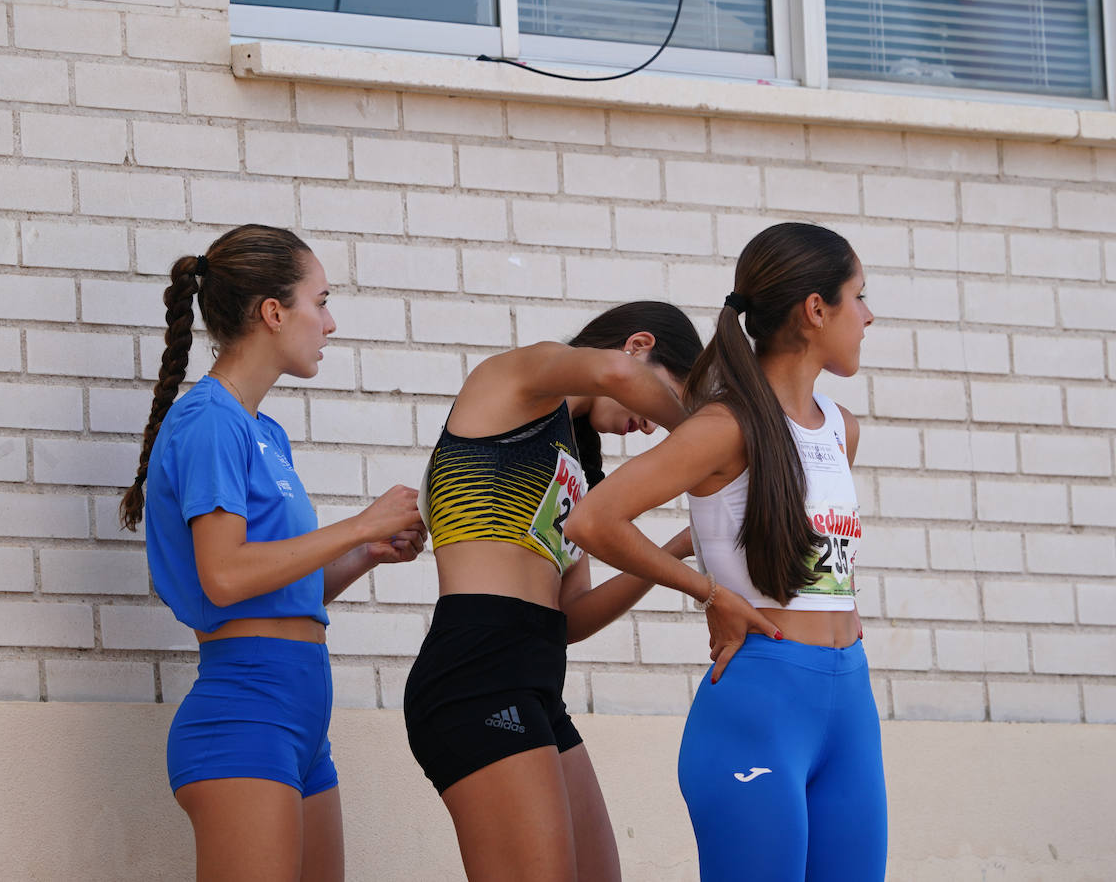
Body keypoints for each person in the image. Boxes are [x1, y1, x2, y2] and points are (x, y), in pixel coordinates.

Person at [564, 223, 887, 881]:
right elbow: (595, 519)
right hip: (759, 707)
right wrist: (709, 591)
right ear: (815, 309)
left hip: (849, 701)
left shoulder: (841, 429)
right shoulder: (724, 426)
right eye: (858, 296)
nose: (868, 315)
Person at [119, 224, 426, 882]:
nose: (331, 322)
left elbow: (286, 590)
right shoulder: (209, 421)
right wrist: (355, 525)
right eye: (321, 301)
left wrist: (368, 549)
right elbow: (225, 577)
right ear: (273, 312)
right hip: (245, 714)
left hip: (302, 719)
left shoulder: (265, 432)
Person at [403, 301, 710, 881]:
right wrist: (705, 435)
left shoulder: (577, 471)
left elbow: (570, 618)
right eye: (667, 394)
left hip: (537, 683)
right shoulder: (522, 376)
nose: (649, 425)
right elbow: (615, 375)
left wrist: (667, 553)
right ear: (638, 346)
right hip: (475, 673)